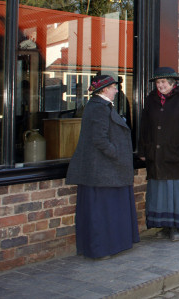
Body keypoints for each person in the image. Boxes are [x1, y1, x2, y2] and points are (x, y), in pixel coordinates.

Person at [66, 75, 139, 259]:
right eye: (114, 87)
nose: (116, 90)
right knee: (101, 212)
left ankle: (108, 246)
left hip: (106, 169)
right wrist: (116, 153)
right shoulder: (98, 108)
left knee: (105, 211)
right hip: (102, 169)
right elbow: (99, 139)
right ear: (105, 89)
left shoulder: (100, 106)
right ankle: (101, 249)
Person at [139, 67, 179, 242]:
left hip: (176, 153)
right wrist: (143, 150)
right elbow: (144, 126)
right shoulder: (151, 99)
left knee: (175, 192)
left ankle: (175, 227)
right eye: (158, 83)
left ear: (172, 83)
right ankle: (164, 224)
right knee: (160, 192)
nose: (160, 86)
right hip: (157, 154)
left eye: (163, 82)